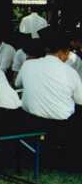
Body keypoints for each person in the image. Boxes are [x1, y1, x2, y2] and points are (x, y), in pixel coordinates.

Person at [16, 31, 82, 165]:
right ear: (64, 52)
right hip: (60, 125)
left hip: (30, 120)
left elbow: (17, 84)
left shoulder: (28, 64)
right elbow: (80, 100)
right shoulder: (70, 72)